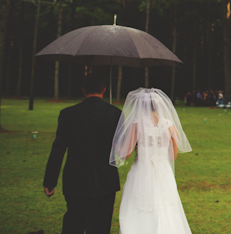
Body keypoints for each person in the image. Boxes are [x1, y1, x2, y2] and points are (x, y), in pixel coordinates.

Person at [43, 73, 122, 234]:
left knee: (74, 224)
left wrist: (50, 180)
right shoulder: (115, 113)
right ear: (104, 90)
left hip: (75, 179)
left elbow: (58, 149)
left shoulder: (68, 114)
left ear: (83, 90)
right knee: (101, 226)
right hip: (105, 180)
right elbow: (121, 149)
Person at [110, 88, 192, 234]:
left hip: (142, 170)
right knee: (166, 205)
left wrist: (115, 144)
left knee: (140, 206)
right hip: (163, 172)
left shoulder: (136, 124)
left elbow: (126, 154)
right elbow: (173, 156)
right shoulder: (169, 125)